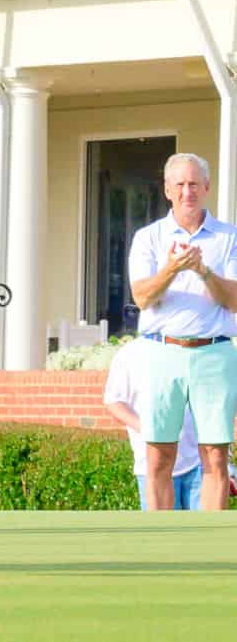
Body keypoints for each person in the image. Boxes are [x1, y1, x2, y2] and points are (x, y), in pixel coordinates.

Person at [125, 151, 237, 510]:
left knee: (215, 458)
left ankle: (209, 546)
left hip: (213, 351)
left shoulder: (229, 237)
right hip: (161, 351)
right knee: (158, 458)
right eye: (180, 184)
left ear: (206, 187)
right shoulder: (148, 238)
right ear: (168, 190)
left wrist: (203, 271)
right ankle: (160, 545)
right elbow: (142, 296)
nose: (188, 191)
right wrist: (172, 269)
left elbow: (234, 299)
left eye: (194, 184)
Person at [104, 333, 205, 510]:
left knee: (205, 535)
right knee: (165, 534)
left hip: (198, 464)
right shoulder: (131, 353)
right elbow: (114, 401)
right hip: (153, 466)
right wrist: (145, 428)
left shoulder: (197, 348)